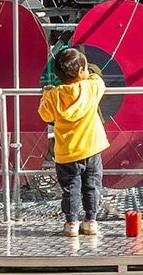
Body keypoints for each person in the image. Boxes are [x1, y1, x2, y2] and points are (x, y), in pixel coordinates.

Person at [38, 47, 109, 237]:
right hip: (91, 149)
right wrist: (90, 75)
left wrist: (46, 94)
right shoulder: (89, 88)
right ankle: (91, 220)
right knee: (92, 186)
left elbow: (45, 114)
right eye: (85, 68)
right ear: (81, 72)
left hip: (66, 153)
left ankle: (71, 223)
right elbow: (99, 82)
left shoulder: (55, 95)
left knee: (70, 190)